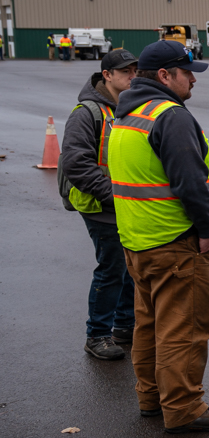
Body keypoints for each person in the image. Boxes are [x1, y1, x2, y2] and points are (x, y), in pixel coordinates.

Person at [108, 40, 209, 434]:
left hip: (138, 240)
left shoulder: (127, 113)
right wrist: (206, 229)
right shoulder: (171, 117)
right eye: (187, 73)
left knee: (149, 324)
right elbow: (191, 184)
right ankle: (183, 407)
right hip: (175, 242)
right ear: (165, 75)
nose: (193, 81)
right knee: (183, 328)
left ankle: (151, 397)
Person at [59, 49, 139, 360]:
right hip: (99, 204)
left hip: (125, 203)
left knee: (128, 267)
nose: (132, 76)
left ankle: (125, 326)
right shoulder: (87, 113)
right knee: (112, 269)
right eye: (125, 71)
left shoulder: (130, 107)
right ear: (107, 75)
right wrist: (112, 195)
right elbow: (76, 163)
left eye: (135, 70)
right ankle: (97, 335)